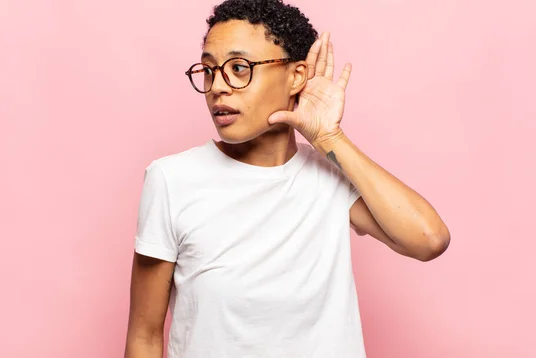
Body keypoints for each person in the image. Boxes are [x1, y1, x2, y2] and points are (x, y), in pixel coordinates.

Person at [124, 0, 450, 357]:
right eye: (208, 70)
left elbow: (428, 239)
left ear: (295, 77)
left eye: (238, 67)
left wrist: (329, 138)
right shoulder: (172, 180)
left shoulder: (328, 175)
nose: (218, 86)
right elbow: (144, 336)